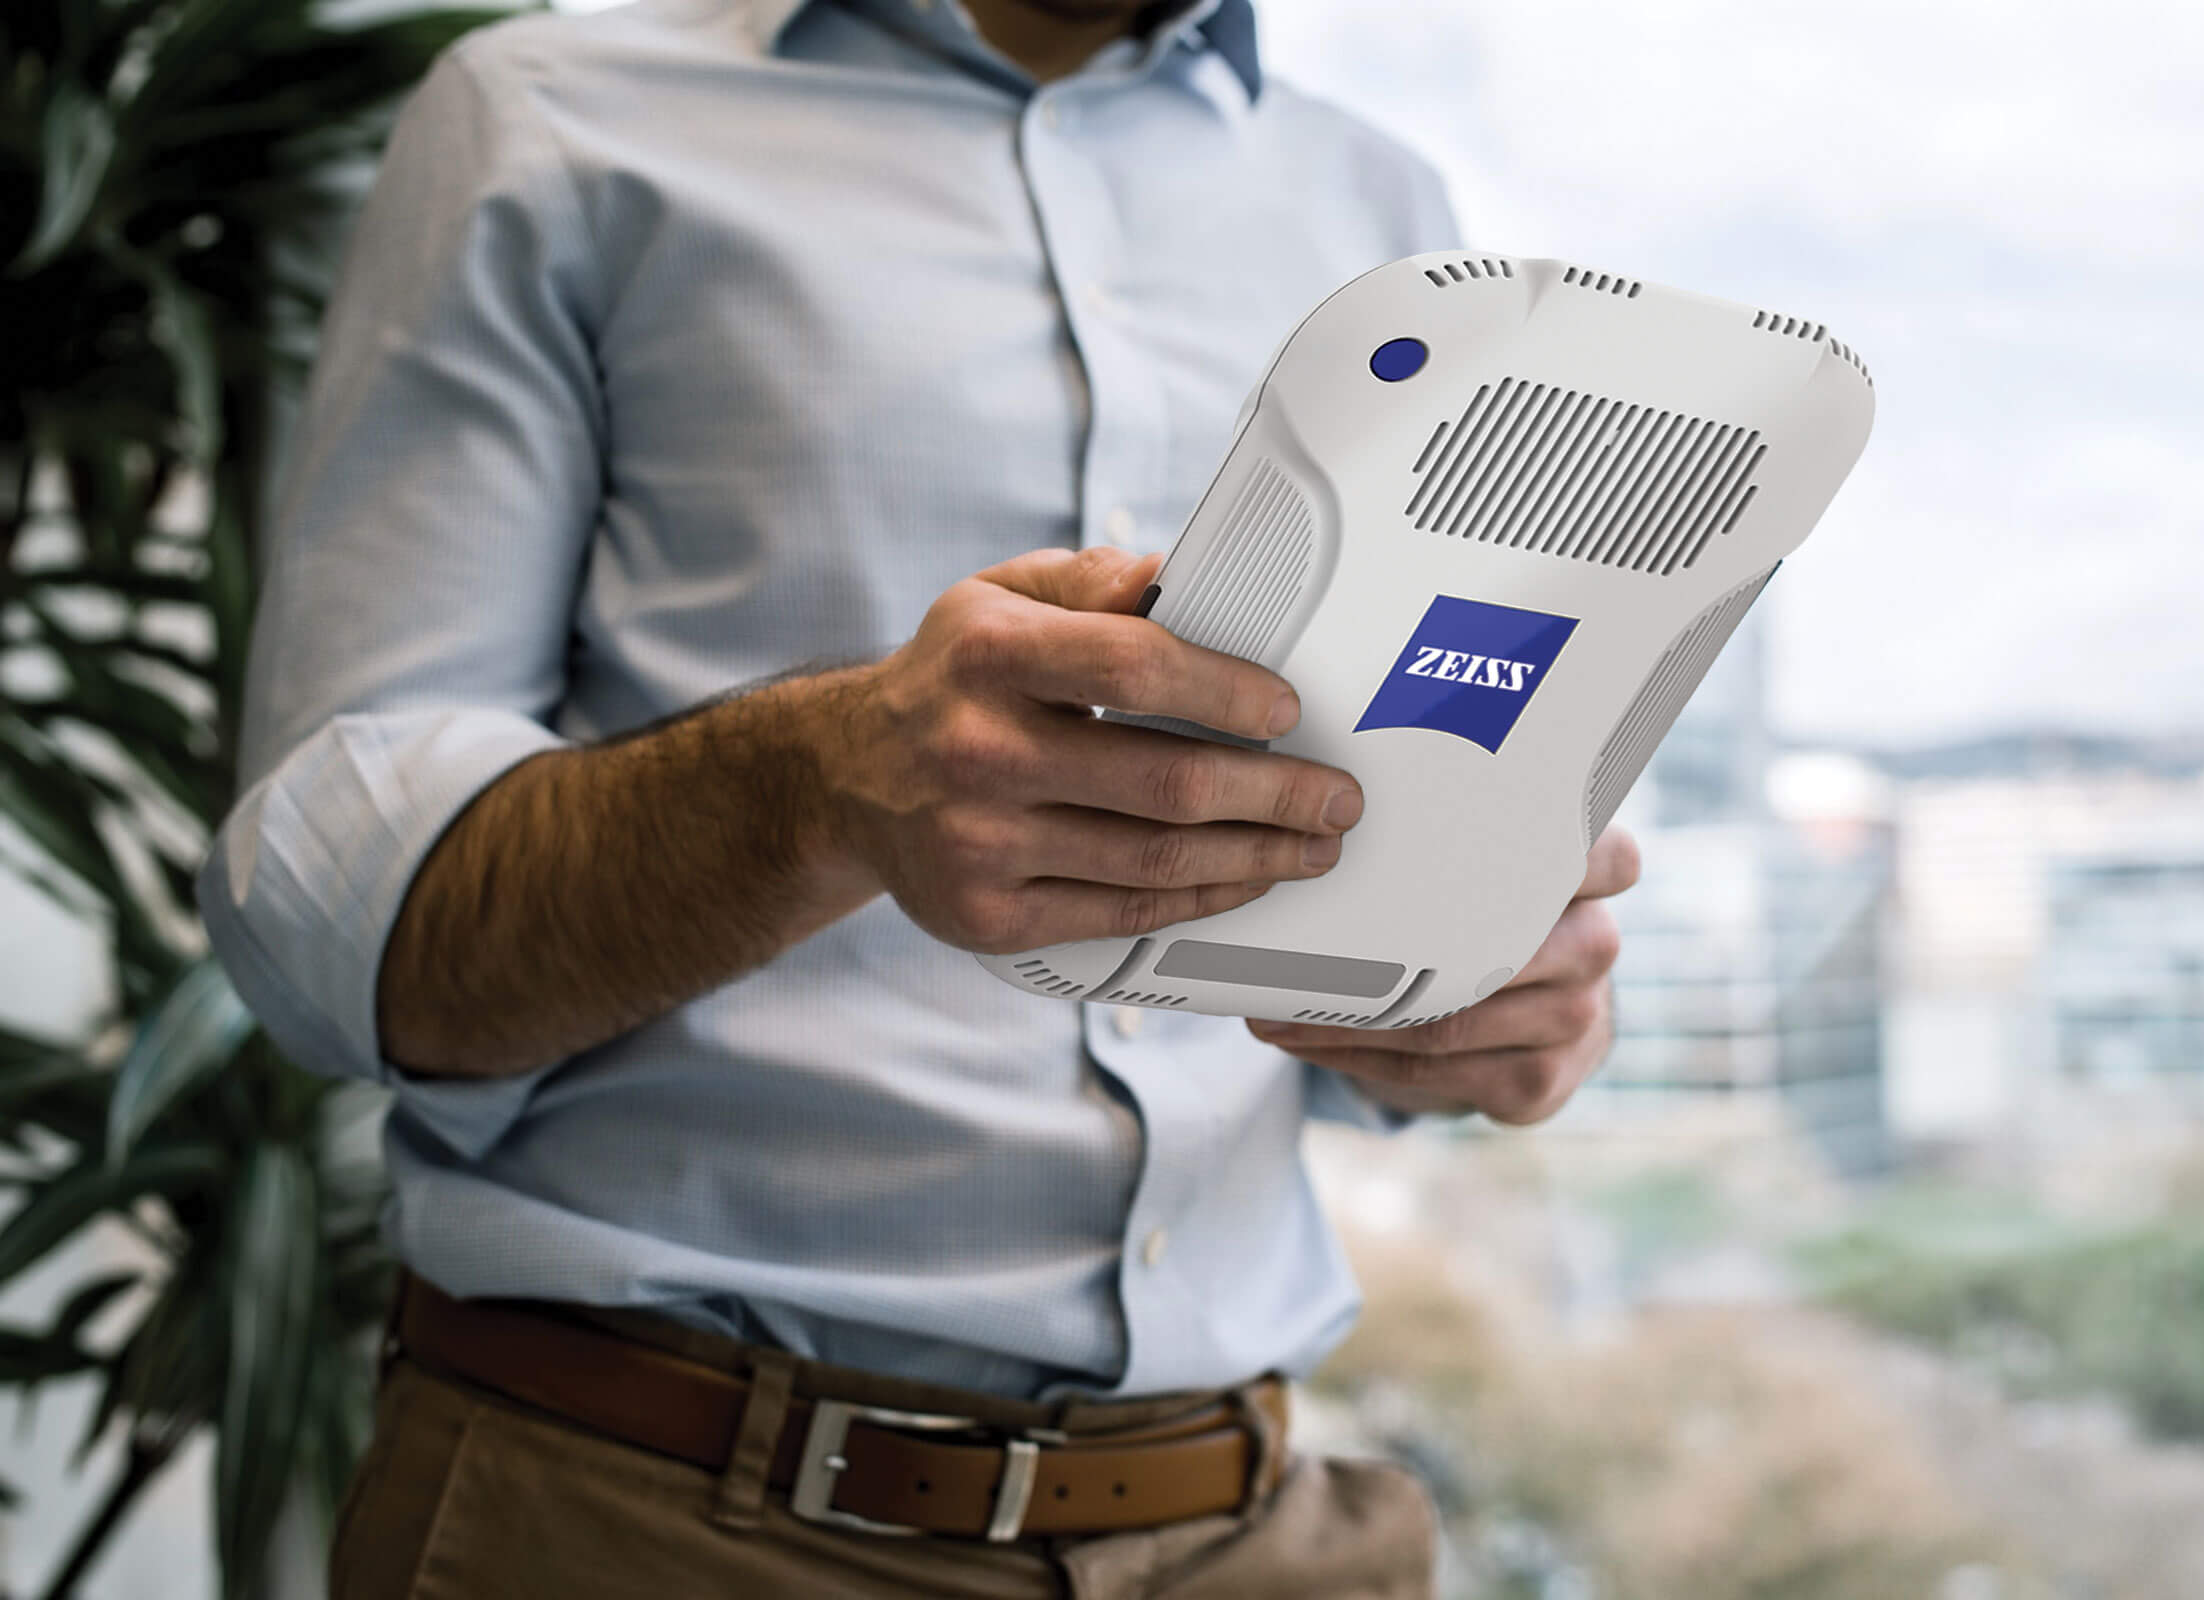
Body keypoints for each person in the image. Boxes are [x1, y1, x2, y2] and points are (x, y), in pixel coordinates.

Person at [198, 0, 1640, 1593]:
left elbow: (1378, 866)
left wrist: (1485, 989)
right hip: (649, 1523)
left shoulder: (1382, 209)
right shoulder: (549, 118)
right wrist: (820, 785)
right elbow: (342, 939)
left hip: (1264, 1529)